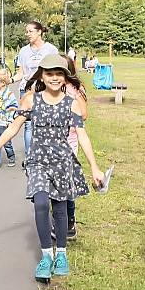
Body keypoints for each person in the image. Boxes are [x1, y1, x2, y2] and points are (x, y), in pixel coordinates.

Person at [0, 54, 105, 283]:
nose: (54, 78)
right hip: (37, 161)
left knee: (61, 209)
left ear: (65, 77)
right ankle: (46, 255)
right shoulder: (31, 100)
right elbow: (13, 128)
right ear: (42, 76)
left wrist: (94, 167)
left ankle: (61, 254)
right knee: (42, 203)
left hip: (63, 161)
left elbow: (82, 136)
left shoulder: (71, 103)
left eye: (58, 74)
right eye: (49, 74)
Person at [11, 22, 58, 164]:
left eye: (30, 31)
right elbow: (21, 73)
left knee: (46, 123)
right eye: (26, 31)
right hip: (26, 90)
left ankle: (46, 155)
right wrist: (10, 80)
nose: (28, 34)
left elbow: (56, 71)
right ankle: (30, 157)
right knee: (28, 124)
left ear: (39, 32)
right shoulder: (24, 51)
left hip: (45, 90)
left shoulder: (50, 49)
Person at [63, 55, 88, 239]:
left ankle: (70, 220)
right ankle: (59, 216)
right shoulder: (48, 87)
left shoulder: (75, 89)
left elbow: (84, 114)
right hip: (50, 142)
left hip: (70, 141)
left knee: (67, 184)